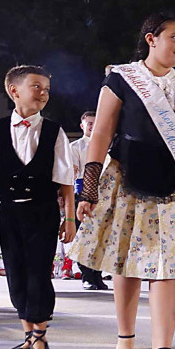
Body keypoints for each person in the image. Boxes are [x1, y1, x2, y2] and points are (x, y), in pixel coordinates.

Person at [73, 13, 175, 349]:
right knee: (126, 261)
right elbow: (101, 134)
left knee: (168, 267)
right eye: (174, 37)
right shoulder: (121, 79)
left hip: (174, 186)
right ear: (151, 39)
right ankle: (125, 338)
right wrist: (89, 187)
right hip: (127, 180)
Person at [0, 65, 76, 349]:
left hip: (43, 211)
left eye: (47, 88)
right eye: (36, 86)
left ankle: (40, 338)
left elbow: (66, 181)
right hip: (9, 212)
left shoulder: (55, 131)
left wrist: (69, 218)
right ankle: (28, 338)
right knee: (16, 273)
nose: (43, 93)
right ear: (14, 91)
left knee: (38, 273)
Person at [70, 110, 108, 290]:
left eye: (95, 122)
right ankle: (86, 275)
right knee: (84, 236)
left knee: (103, 237)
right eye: (89, 123)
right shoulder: (76, 147)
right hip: (83, 194)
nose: (93, 126)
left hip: (105, 194)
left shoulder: (108, 144)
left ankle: (98, 275)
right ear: (82, 125)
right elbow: (73, 174)